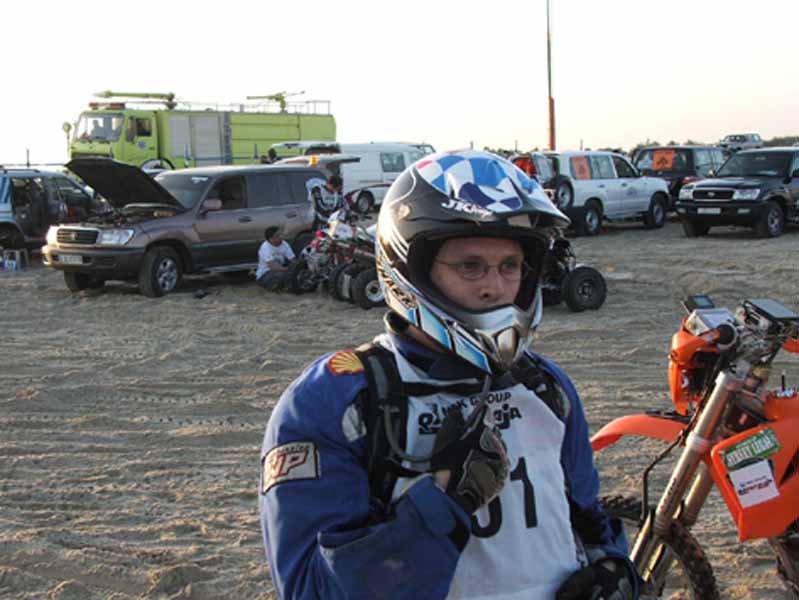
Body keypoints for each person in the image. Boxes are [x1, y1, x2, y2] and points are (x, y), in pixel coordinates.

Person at [259, 150, 637, 600]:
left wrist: (612, 567)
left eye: (510, 266)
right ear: (412, 267)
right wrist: (445, 501)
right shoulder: (338, 401)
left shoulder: (546, 387)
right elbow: (309, 589)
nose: (494, 287)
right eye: (470, 266)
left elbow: (589, 518)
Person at [256, 226, 295, 291]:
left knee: (291, 274)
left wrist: (296, 267)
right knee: (282, 275)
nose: (281, 237)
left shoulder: (284, 243)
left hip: (279, 271)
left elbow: (293, 259)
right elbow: (273, 267)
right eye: (277, 236)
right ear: (270, 239)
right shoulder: (265, 247)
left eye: (280, 234)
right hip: (264, 275)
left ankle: (284, 286)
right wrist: (289, 269)